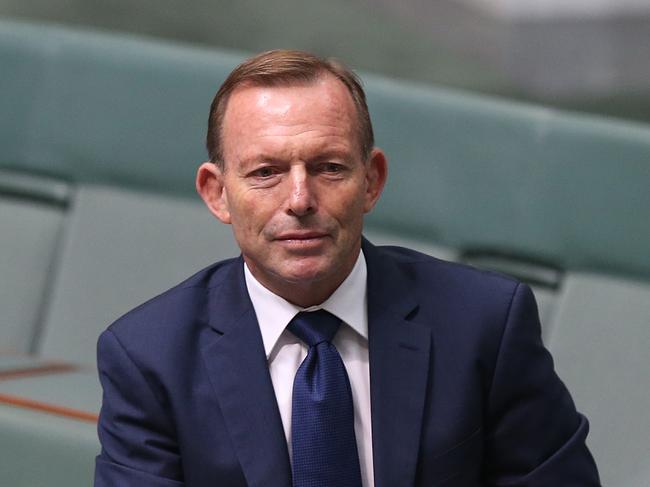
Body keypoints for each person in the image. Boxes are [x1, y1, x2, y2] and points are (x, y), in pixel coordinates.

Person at [94, 50, 600, 486]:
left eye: (328, 167)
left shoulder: (485, 324)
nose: (299, 199)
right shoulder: (148, 357)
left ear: (372, 181)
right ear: (218, 193)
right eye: (266, 172)